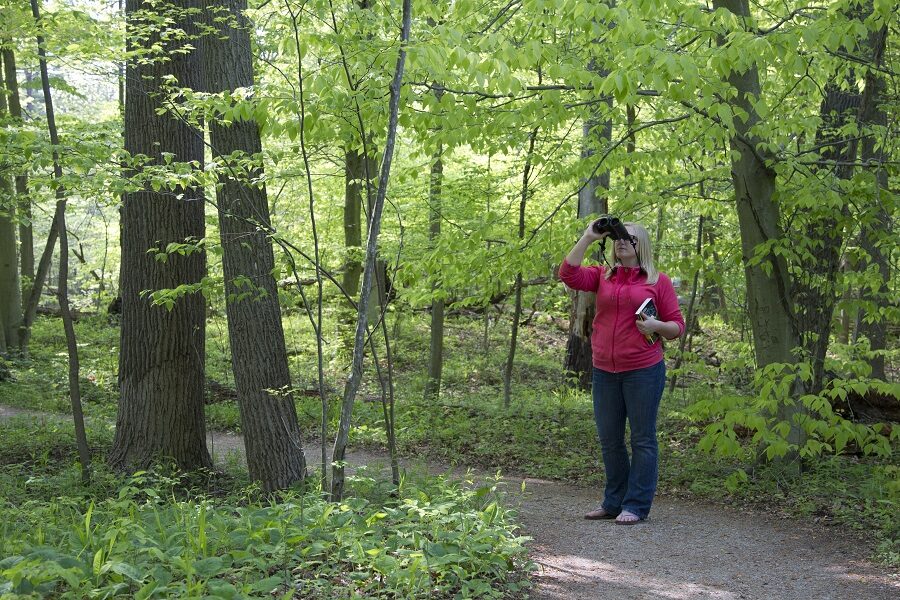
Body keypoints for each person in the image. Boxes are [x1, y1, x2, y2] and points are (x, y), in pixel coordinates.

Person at [559, 219, 684, 524]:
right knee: (610, 439)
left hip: (643, 370)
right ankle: (613, 502)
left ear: (643, 247)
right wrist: (589, 237)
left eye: (630, 238)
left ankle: (636, 505)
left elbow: (677, 327)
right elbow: (568, 274)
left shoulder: (658, 281)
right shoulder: (603, 276)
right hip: (604, 371)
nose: (622, 242)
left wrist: (656, 326)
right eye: (617, 237)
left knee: (642, 439)